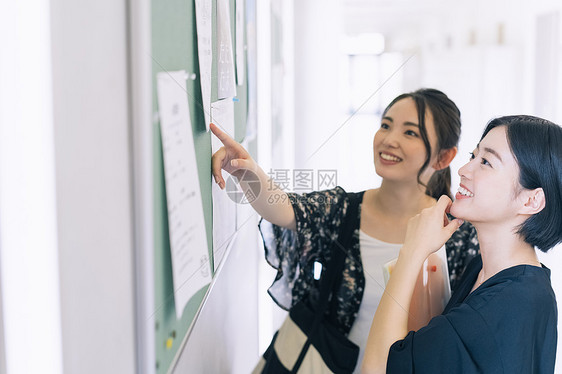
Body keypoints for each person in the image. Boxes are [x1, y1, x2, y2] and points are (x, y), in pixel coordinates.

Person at [211, 88, 479, 372]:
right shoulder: (343, 209)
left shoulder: (457, 234)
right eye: (385, 125)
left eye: (410, 133)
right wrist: (246, 170)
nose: (389, 140)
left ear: (444, 157)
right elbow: (285, 208)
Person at [362, 115, 561, 374]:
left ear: (531, 201)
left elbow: (376, 369)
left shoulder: (504, 305)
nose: (464, 170)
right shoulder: (493, 273)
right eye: (473, 155)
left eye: (487, 162)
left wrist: (412, 251)